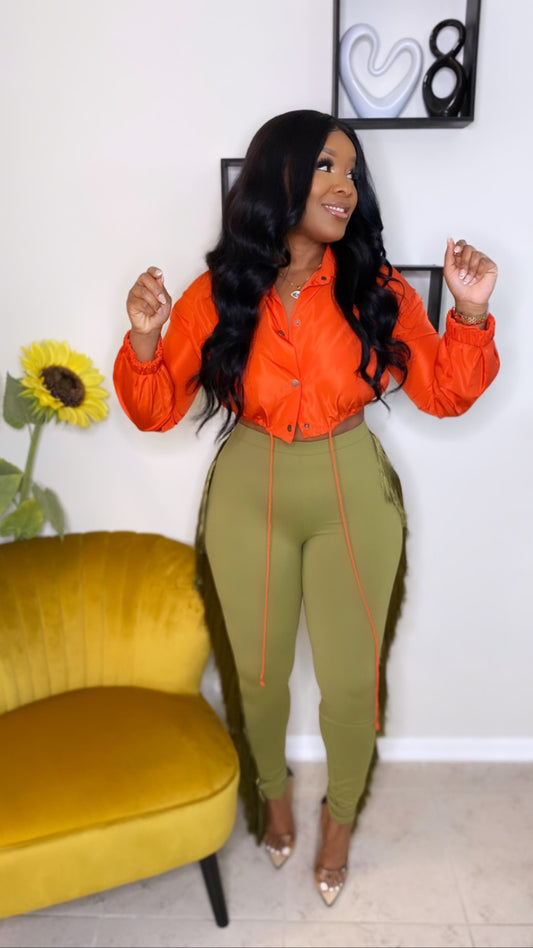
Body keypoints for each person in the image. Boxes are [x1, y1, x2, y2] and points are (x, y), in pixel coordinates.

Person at [113, 109, 499, 906]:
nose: (344, 186)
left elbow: (443, 392)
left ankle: (340, 820)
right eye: (326, 167)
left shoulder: (375, 289)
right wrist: (146, 339)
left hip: (349, 491)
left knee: (350, 684)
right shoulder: (218, 293)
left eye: (351, 173)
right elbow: (154, 411)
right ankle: (274, 794)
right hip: (247, 492)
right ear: (278, 177)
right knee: (257, 679)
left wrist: (466, 314)